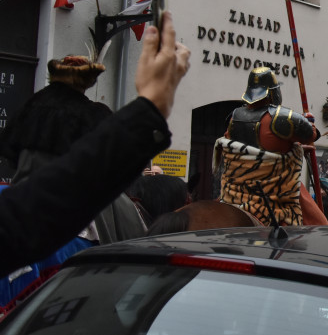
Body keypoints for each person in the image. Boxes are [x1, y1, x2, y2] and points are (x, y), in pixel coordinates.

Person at [0, 14, 189, 276]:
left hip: (28, 180)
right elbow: (100, 159)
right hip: (71, 184)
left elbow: (12, 147)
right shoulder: (91, 111)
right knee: (125, 224)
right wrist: (150, 110)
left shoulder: (34, 102)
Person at [0, 55, 147, 245]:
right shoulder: (93, 113)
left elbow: (11, 155)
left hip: (25, 184)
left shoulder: (30, 106)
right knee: (128, 221)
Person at [216, 66, 328, 226]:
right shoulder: (282, 117)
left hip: (238, 189)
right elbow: (311, 135)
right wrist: (307, 122)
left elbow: (241, 145)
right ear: (273, 91)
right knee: (320, 224)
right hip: (273, 188)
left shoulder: (234, 118)